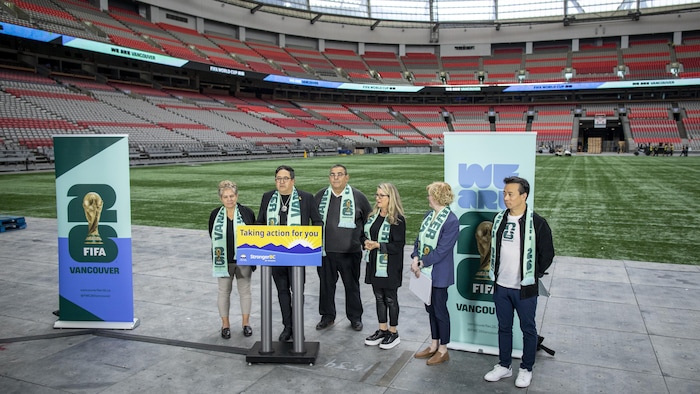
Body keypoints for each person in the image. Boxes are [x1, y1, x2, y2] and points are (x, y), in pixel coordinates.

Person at [484, 176, 555, 389]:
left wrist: (534, 274)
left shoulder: (538, 222)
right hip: (501, 286)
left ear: (524, 196)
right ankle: (504, 365)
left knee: (528, 328)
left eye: (510, 194)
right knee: (504, 327)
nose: (505, 198)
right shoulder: (499, 219)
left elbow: (548, 254)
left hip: (524, 288)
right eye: (504, 193)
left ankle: (526, 368)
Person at [256, 165, 323, 342]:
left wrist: (310, 242)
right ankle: (288, 326)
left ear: (292, 181)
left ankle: (297, 324)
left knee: (297, 291)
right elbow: (260, 222)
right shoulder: (268, 197)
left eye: (285, 178)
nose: (281, 182)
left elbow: (317, 222)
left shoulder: (306, 198)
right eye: (278, 178)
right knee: (282, 291)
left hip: (297, 255)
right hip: (274, 254)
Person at [314, 164, 372, 332]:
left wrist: (365, 240)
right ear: (329, 177)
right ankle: (327, 316)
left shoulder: (358, 197)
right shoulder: (320, 196)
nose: (336, 178)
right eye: (332, 174)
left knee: (351, 286)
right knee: (326, 286)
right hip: (325, 252)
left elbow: (368, 221)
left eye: (340, 174)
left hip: (350, 252)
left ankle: (355, 317)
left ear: (347, 177)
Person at [410, 182, 459, 365]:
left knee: (440, 310)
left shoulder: (452, 221)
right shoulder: (429, 215)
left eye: (430, 195)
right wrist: (415, 257)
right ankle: (433, 345)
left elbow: (442, 250)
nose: (428, 198)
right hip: (424, 273)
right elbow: (418, 241)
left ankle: (443, 349)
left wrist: (421, 262)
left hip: (439, 275)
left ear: (437, 197)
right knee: (430, 310)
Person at [208, 180, 256, 339]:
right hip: (223, 261)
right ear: (221, 198)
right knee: (223, 292)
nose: (229, 199)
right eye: (226, 197)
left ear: (237, 195)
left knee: (245, 292)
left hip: (243, 261)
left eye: (232, 196)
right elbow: (212, 236)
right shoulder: (215, 215)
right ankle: (225, 325)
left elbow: (253, 234)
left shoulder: (246, 212)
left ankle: (246, 323)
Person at [362, 183, 406, 350]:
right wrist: (365, 242)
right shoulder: (373, 216)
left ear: (390, 198)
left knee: (390, 298)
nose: (378, 198)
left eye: (382, 195)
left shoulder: (398, 219)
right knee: (378, 297)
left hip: (390, 267)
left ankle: (393, 333)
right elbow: (364, 234)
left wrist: (379, 246)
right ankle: (382, 329)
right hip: (374, 263)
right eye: (377, 195)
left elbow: (398, 246)